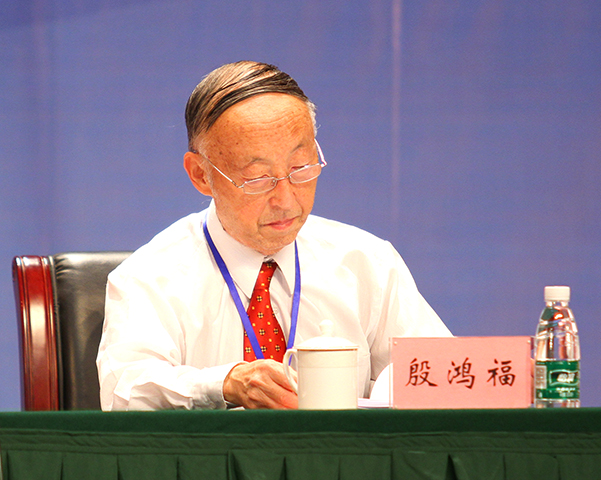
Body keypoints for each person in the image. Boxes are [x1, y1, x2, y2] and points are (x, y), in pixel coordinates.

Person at [96, 61, 451, 411]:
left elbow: (444, 376)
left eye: (301, 168)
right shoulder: (148, 278)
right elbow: (125, 392)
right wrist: (225, 384)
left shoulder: (367, 263)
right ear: (201, 175)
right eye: (258, 179)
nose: (286, 200)